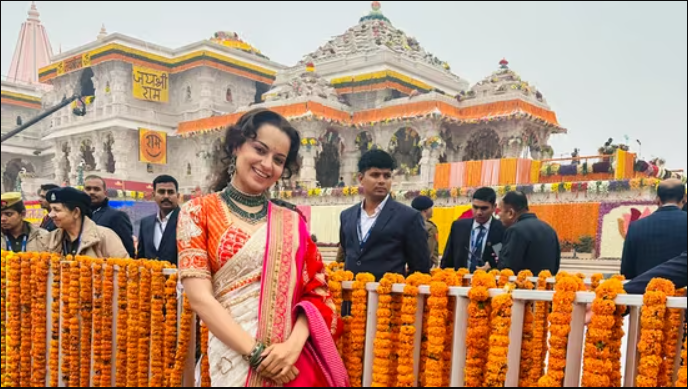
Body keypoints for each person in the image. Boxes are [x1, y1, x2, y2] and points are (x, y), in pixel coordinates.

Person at [177, 109, 348, 387]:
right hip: (232, 359)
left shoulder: (292, 222)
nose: (267, 165)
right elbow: (200, 299)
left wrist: (291, 349)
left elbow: (317, 291)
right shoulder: (198, 212)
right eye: (260, 150)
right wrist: (257, 355)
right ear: (236, 146)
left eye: (278, 160)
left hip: (289, 364)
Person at [339, 150, 430, 280]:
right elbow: (348, 254)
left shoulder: (409, 217)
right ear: (360, 178)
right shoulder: (347, 216)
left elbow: (420, 270)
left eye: (387, 176)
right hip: (352, 296)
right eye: (375, 175)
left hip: (387, 297)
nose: (382, 181)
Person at [621, 179, 687, 280]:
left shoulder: (636, 227)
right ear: (684, 198)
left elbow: (627, 272)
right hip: (683, 294)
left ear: (657, 199)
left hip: (645, 292)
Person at [44, 187, 129, 258]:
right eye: (51, 210)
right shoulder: (51, 239)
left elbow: (124, 272)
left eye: (57, 210)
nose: (51, 215)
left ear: (76, 212)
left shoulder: (104, 237)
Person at [441, 187, 505, 272]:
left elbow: (502, 260)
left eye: (484, 208)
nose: (479, 212)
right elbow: (448, 259)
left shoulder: (502, 229)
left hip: (488, 281)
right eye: (475, 207)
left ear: (494, 207)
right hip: (460, 281)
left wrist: (491, 268)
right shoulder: (458, 227)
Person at [498, 191, 560, 275]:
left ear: (510, 213)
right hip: (545, 285)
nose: (498, 214)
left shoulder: (515, 230)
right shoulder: (549, 229)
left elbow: (507, 268)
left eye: (500, 210)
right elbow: (556, 265)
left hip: (522, 286)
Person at [84, 175, 136, 258]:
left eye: (96, 189)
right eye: (88, 189)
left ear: (105, 193)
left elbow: (127, 250)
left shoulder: (117, 216)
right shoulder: (78, 216)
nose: (92, 192)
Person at [137, 175, 181, 264]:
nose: (166, 196)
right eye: (161, 192)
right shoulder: (145, 223)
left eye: (170, 192)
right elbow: (141, 258)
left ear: (178, 195)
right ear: (154, 195)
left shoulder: (187, 221)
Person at [412, 196, 440, 269]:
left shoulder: (408, 223)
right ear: (425, 210)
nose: (432, 210)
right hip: (426, 267)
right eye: (431, 208)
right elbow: (430, 251)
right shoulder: (430, 228)